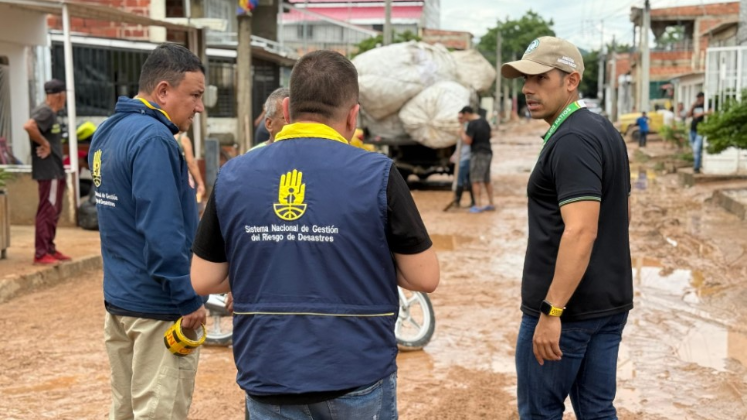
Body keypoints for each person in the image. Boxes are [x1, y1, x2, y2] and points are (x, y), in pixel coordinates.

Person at [190, 49, 440, 420]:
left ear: (286, 110)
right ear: (353, 116)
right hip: (356, 373)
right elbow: (425, 277)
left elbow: (203, 278)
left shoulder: (234, 175)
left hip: (268, 374)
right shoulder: (379, 174)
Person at [502, 36, 633, 419]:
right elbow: (622, 209)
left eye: (541, 78)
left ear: (571, 81)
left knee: (540, 412)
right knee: (596, 410)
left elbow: (581, 231)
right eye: (525, 79)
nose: (528, 88)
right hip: (607, 302)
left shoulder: (573, 138)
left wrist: (551, 312)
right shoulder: (601, 129)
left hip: (568, 312)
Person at [88, 43, 207, 419]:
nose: (200, 107)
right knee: (159, 411)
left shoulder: (107, 131)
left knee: (124, 409)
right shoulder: (154, 139)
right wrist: (187, 298)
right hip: (157, 307)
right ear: (163, 91)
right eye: (195, 95)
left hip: (121, 300)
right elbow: (162, 230)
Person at [23, 79, 71, 265]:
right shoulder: (45, 111)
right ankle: (41, 252)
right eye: (64, 94)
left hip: (55, 170)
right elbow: (29, 126)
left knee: (53, 210)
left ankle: (49, 248)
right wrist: (45, 144)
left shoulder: (50, 113)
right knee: (47, 210)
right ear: (59, 95)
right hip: (48, 171)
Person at [458, 106, 495, 213]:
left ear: (466, 114)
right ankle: (491, 203)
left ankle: (478, 205)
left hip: (478, 153)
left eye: (463, 116)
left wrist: (461, 133)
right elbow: (491, 135)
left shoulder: (472, 124)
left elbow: (468, 141)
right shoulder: (484, 121)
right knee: (487, 179)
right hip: (488, 152)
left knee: (475, 180)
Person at [174, 131, 206, 201]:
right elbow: (191, 163)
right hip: (183, 179)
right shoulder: (183, 140)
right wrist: (200, 183)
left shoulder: (165, 138)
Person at [452, 131, 475, 208]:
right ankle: (473, 201)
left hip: (464, 159)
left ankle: (457, 201)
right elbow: (459, 148)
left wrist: (461, 133)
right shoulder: (462, 134)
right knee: (469, 181)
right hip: (464, 159)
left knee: (460, 180)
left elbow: (465, 147)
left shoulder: (465, 134)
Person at [687, 92, 706, 174]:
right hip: (692, 130)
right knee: (695, 150)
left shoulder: (706, 106)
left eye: (700, 97)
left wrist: (700, 114)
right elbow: (689, 115)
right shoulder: (696, 106)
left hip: (700, 130)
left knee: (696, 149)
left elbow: (711, 111)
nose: (699, 99)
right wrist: (692, 106)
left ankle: (696, 167)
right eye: (698, 97)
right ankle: (697, 164)